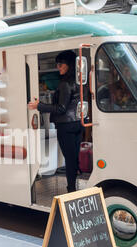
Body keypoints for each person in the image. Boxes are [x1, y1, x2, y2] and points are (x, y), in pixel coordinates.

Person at [28, 50, 83, 193]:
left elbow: (61, 108)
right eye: (57, 64)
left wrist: (38, 106)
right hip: (78, 124)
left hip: (66, 126)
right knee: (74, 158)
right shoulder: (79, 80)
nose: (58, 67)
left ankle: (71, 190)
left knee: (70, 160)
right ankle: (74, 186)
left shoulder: (64, 83)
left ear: (69, 64)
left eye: (61, 64)